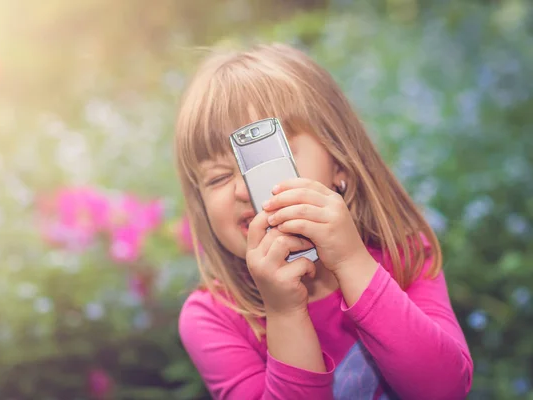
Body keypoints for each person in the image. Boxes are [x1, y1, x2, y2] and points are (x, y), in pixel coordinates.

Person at [173, 43, 473, 400]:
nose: (244, 189)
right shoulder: (212, 318)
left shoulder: (402, 252)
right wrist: (284, 312)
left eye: (265, 160)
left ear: (339, 163)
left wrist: (350, 261)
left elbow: (444, 389)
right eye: (218, 178)